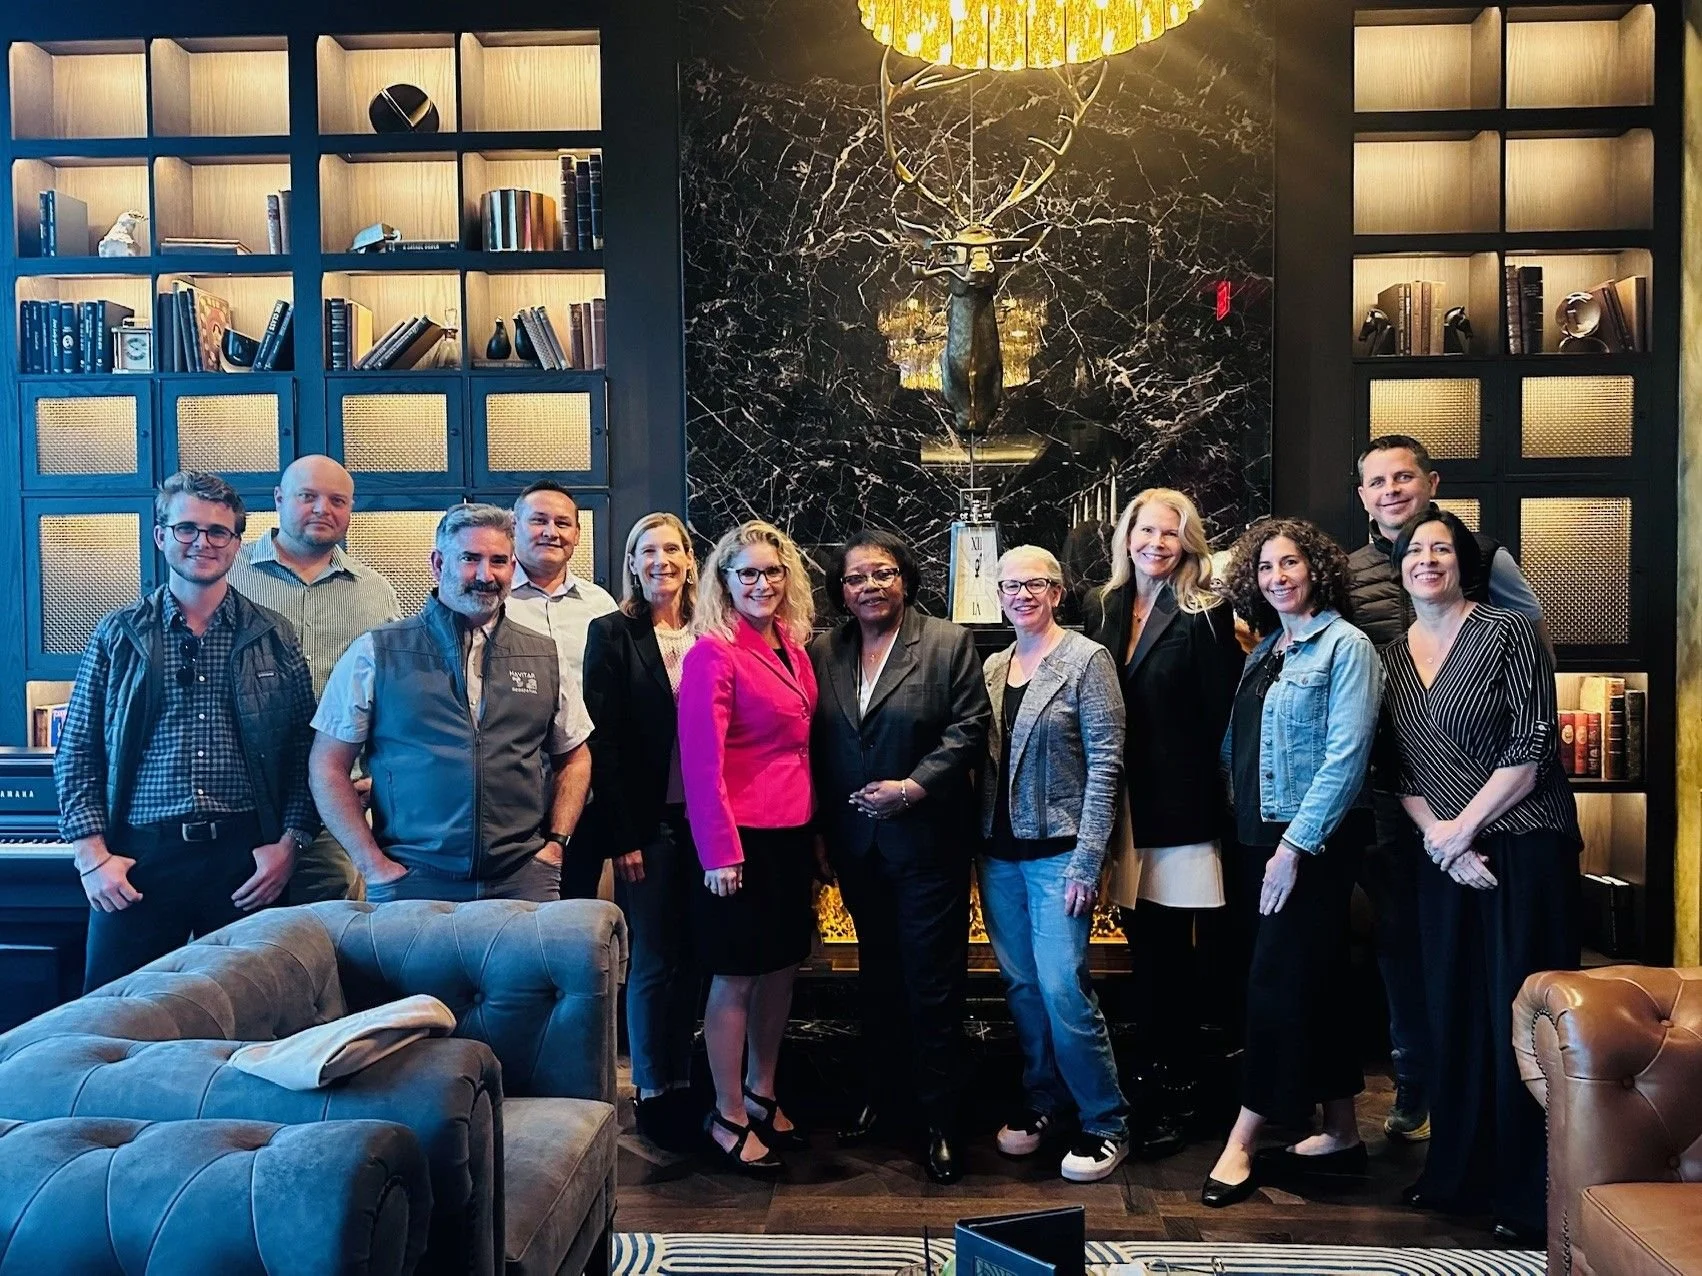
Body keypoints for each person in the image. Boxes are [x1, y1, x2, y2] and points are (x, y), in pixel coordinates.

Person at [1379, 508, 1580, 1246]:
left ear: (1465, 563)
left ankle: (1532, 1193)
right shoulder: (1394, 656)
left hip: (1523, 850)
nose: (1426, 560)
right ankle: (1457, 1174)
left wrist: (1467, 828)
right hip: (1443, 861)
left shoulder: (1507, 631)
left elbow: (1533, 743)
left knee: (1523, 1021)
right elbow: (1397, 767)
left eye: (1442, 549)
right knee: (1454, 1015)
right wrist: (1441, 834)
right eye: (1414, 551)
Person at [1349, 433, 1550, 1143]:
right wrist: (1437, 828)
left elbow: (1530, 660)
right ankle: (1417, 1084)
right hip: (1400, 798)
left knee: (1493, 966)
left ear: (1430, 483)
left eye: (1404, 477)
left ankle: (1512, 1110)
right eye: (1376, 481)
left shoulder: (1483, 556)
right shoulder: (1347, 574)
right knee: (1406, 945)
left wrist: (1465, 825)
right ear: (1362, 494)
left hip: (1497, 806)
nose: (1391, 491)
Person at [56, 471, 319, 990]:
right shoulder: (119, 633)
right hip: (139, 858)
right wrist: (92, 859)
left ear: (237, 544)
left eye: (218, 532)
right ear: (161, 536)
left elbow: (302, 752)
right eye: (187, 529)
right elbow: (78, 749)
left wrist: (290, 845)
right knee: (115, 1014)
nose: (203, 542)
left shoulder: (273, 635)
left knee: (256, 1012)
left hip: (245, 857)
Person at [1202, 518, 1382, 1208]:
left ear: (1318, 570)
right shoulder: (1268, 649)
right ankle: (1340, 1128)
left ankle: (1243, 1141)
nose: (1278, 577)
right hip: (1256, 838)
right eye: (1267, 568)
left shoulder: (1347, 646)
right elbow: (1234, 747)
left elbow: (1346, 758)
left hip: (1309, 842)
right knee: (1319, 979)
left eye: (1291, 564)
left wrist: (1293, 848)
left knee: (1274, 986)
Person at [808, 529, 991, 1184]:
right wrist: (822, 832)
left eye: (882, 573)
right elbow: (816, 747)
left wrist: (913, 787)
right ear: (842, 591)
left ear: (906, 580)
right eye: (856, 578)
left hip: (927, 841)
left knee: (932, 982)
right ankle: (881, 1100)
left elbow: (970, 727)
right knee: (877, 977)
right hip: (857, 845)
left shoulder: (947, 642)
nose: (869, 587)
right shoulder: (824, 650)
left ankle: (939, 1117)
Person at [308, 503, 593, 903]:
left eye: (498, 561)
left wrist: (557, 844)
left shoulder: (543, 655)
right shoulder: (377, 651)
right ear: (438, 563)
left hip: (522, 877)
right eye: (470, 559)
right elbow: (327, 765)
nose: (485, 575)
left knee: (523, 971)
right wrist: (371, 863)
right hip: (411, 877)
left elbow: (575, 756)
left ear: (513, 567)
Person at [1085, 489, 1244, 1157]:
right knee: (1147, 953)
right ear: (1126, 537)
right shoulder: (1103, 607)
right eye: (1145, 530)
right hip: (1115, 808)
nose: (1156, 543)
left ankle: (1181, 1093)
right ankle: (1148, 1082)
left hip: (1181, 812)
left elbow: (1225, 720)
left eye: (1170, 533)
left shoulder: (1209, 614)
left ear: (1189, 542)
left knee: (1175, 958)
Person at [979, 545, 1131, 1184]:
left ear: (1058, 591)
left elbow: (1106, 765)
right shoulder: (991, 667)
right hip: (997, 859)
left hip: (1059, 858)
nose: (1021, 595)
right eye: (1010, 585)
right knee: (1020, 987)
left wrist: (1088, 862)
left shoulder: (1086, 661)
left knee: (1064, 987)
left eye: (1034, 584)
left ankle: (1106, 1120)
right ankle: (1044, 1100)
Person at [678, 520, 819, 1176]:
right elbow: (701, 762)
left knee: (782, 967)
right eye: (748, 573)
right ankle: (727, 1112)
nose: (762, 583)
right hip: (740, 842)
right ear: (725, 582)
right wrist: (718, 852)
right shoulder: (713, 651)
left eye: (772, 571)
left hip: (792, 835)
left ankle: (764, 1090)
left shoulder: (792, 642)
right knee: (735, 975)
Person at [227, 454, 400, 903]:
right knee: (234, 948)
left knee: (328, 941)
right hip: (241, 798)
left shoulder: (376, 592)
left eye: (337, 500)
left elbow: (394, 696)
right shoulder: (226, 574)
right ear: (280, 500)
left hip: (337, 803)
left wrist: (380, 773)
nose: (323, 509)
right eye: (308, 496)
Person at [581, 511, 702, 1153]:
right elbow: (605, 741)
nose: (661, 560)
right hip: (647, 825)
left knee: (699, 956)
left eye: (672, 549)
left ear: (690, 559)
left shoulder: (716, 631)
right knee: (653, 958)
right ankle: (654, 1087)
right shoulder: (612, 633)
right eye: (647, 550)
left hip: (710, 823)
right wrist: (623, 834)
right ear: (632, 562)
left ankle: (690, 1079)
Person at [506, 480, 619, 899]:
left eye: (562, 523)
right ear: (513, 526)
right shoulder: (492, 598)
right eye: (538, 520)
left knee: (573, 911)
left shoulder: (600, 606)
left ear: (575, 535)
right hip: (509, 792)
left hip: (581, 791)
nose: (551, 531)